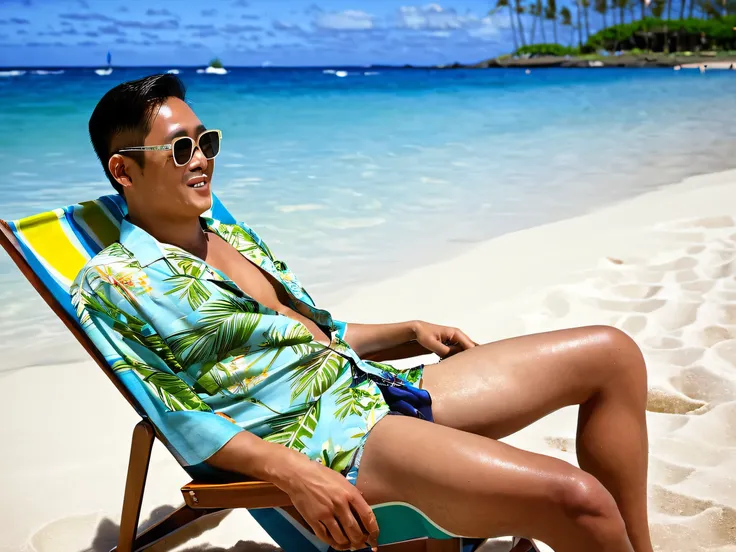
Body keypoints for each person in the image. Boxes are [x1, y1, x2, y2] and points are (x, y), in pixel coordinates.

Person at [73, 74, 653, 552]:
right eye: (180, 148)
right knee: (579, 503)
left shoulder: (227, 232)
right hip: (332, 438)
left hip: (371, 386)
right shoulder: (114, 283)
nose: (201, 160)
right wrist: (293, 473)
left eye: (207, 142)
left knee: (612, 355)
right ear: (123, 171)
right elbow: (177, 417)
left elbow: (311, 332)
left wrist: (408, 330)